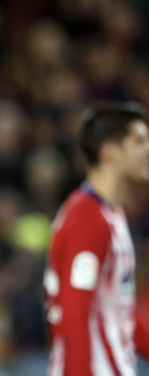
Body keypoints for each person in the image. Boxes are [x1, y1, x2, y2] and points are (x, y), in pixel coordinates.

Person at [44, 104, 149, 375]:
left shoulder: (110, 213)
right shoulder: (86, 218)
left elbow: (119, 306)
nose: (148, 149)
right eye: (139, 141)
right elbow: (74, 309)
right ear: (110, 153)